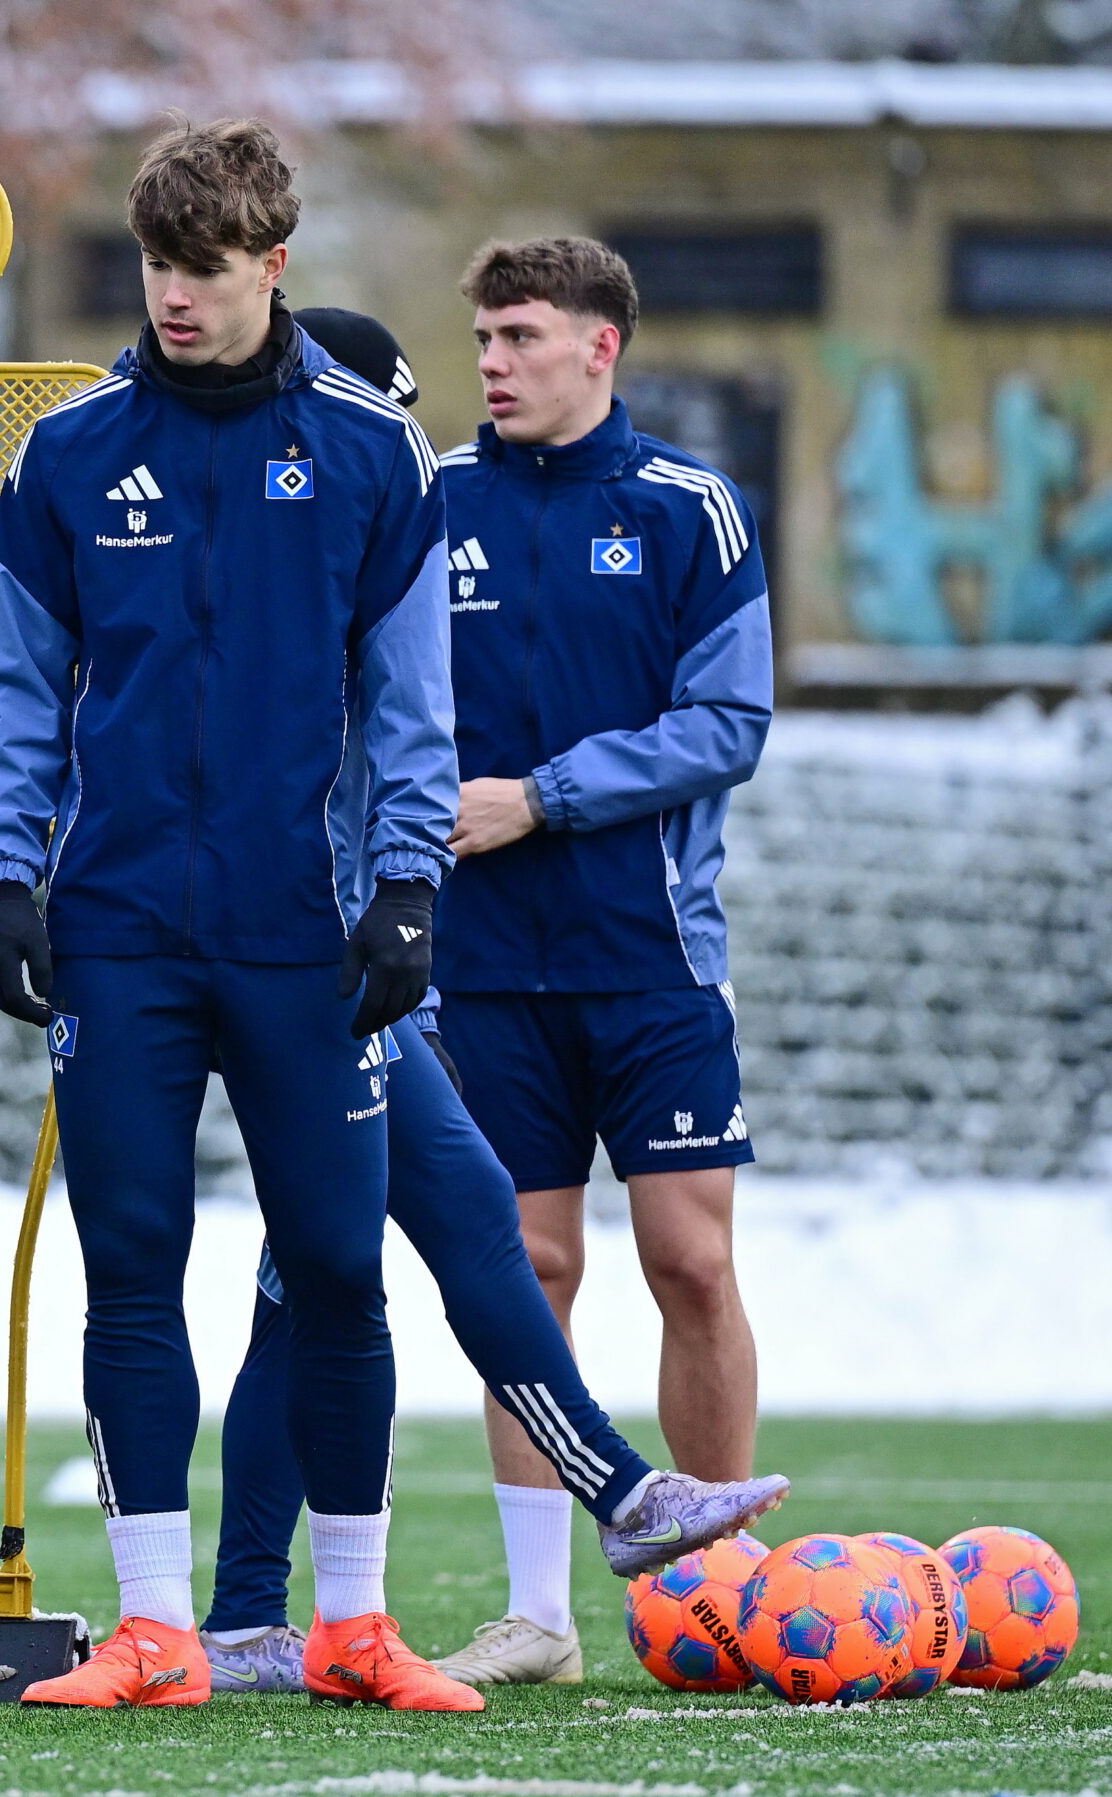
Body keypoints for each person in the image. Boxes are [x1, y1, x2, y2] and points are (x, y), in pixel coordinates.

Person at [193, 310, 789, 1696]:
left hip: (428, 958)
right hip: (333, 958)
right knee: (348, 1267)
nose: (485, 373)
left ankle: (268, 1612)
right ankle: (248, 1613)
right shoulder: (314, 531)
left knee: (387, 1260)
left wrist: (515, 814)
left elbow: (719, 721)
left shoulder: (645, 508)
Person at [0, 118, 472, 1713]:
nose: (173, 296)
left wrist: (407, 885)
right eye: (154, 265)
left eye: (203, 267)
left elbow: (411, 702)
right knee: (132, 1261)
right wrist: (4, 877)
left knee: (335, 1266)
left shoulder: (374, 455)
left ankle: (356, 1626)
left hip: (303, 934)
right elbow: (15, 688)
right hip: (117, 930)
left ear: (273, 264)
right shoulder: (67, 453)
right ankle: (155, 1631)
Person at [424, 237, 775, 1686]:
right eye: (483, 339)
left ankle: (729, 1596)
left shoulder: (692, 508)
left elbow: (729, 724)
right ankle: (541, 1618)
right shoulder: (433, 499)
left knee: (690, 1261)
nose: (492, 362)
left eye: (518, 336)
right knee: (529, 1269)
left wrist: (542, 797)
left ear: (598, 345)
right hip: (479, 964)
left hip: (652, 959)